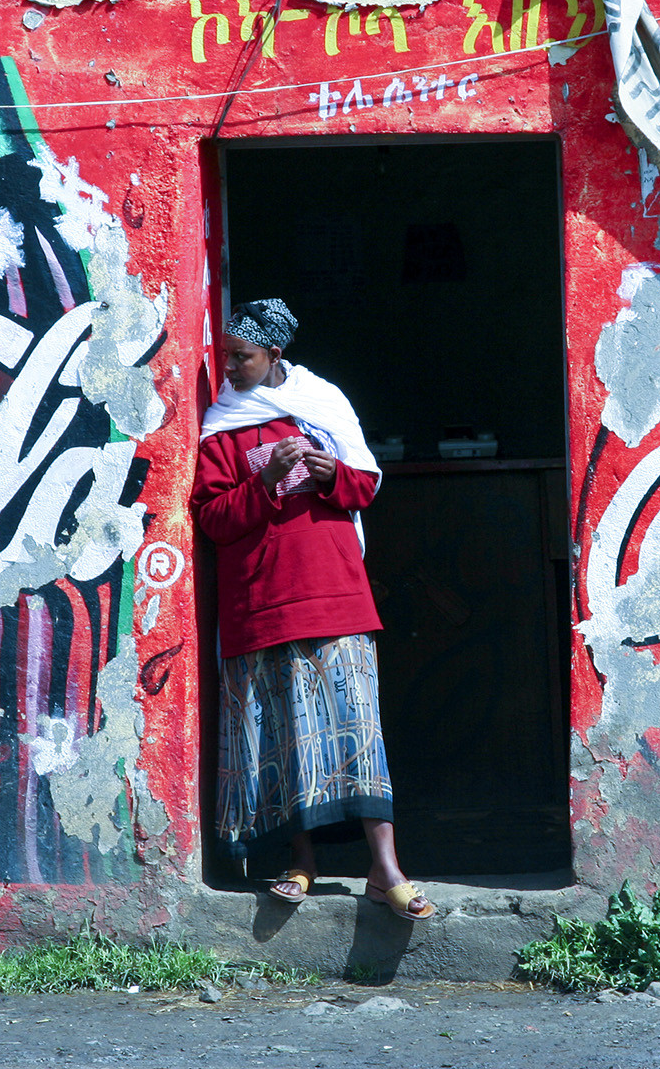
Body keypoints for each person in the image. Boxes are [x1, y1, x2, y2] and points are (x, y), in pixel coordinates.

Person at [192, 298, 434, 922]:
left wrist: (330, 475)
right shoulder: (223, 427)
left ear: (275, 355)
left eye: (242, 357)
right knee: (284, 736)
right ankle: (300, 861)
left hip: (335, 596)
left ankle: (386, 870)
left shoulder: (322, 406)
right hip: (261, 603)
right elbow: (213, 520)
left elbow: (367, 485)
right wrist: (265, 481)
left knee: (357, 732)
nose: (231, 368)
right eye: (227, 357)